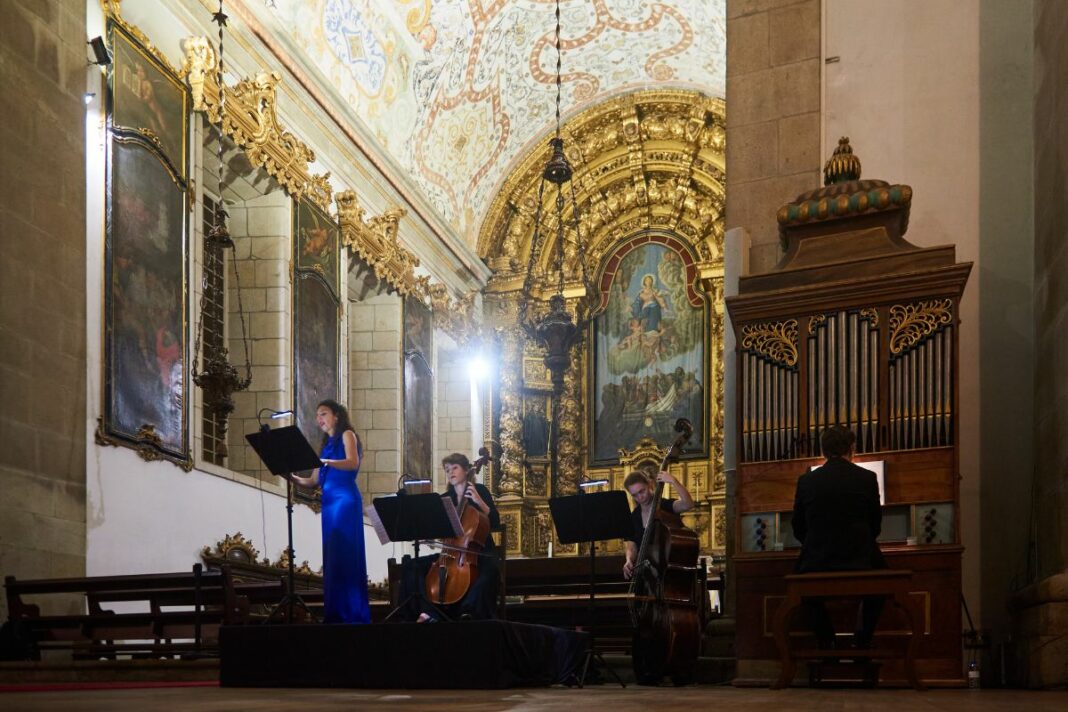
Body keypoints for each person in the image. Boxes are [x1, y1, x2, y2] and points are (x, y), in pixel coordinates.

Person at [791, 425, 886, 649]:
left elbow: (798, 527)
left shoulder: (807, 481)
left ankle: (827, 640)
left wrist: (816, 543)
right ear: (852, 449)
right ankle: (862, 640)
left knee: (802, 591)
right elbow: (875, 525)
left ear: (823, 451)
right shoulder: (867, 478)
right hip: (860, 560)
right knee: (884, 586)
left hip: (818, 560)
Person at [289, 399, 371, 624]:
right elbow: (313, 481)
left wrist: (326, 461)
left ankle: (352, 615)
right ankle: (335, 614)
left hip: (345, 500)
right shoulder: (324, 447)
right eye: (317, 416)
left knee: (346, 553)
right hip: (329, 503)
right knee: (333, 556)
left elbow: (352, 463)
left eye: (323, 413)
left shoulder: (347, 435)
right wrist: (293, 478)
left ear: (336, 415)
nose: (319, 419)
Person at [400, 453, 501, 622]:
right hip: (450, 553)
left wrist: (478, 500)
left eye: (455, 467)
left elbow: (495, 522)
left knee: (489, 572)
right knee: (412, 566)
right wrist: (429, 536)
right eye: (447, 469)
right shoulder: (445, 499)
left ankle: (468, 612)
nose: (450, 472)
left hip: (479, 553)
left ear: (467, 470)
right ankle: (427, 612)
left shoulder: (480, 490)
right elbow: (434, 529)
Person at [622, 469, 695, 580]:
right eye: (635, 495)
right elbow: (632, 546)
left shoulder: (665, 506)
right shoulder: (634, 517)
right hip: (646, 575)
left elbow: (688, 504)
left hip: (670, 573)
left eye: (642, 491)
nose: (640, 497)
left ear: (650, 484)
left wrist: (674, 481)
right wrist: (628, 560)